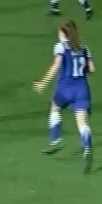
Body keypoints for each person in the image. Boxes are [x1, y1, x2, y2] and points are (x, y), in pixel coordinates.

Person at [34, 20, 95, 172]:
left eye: (60, 33)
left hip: (65, 88)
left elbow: (55, 66)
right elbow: (92, 69)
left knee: (55, 108)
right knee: (82, 123)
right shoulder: (84, 48)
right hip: (82, 89)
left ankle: (55, 140)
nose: (58, 36)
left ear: (65, 35)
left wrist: (42, 83)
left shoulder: (61, 47)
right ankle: (87, 148)